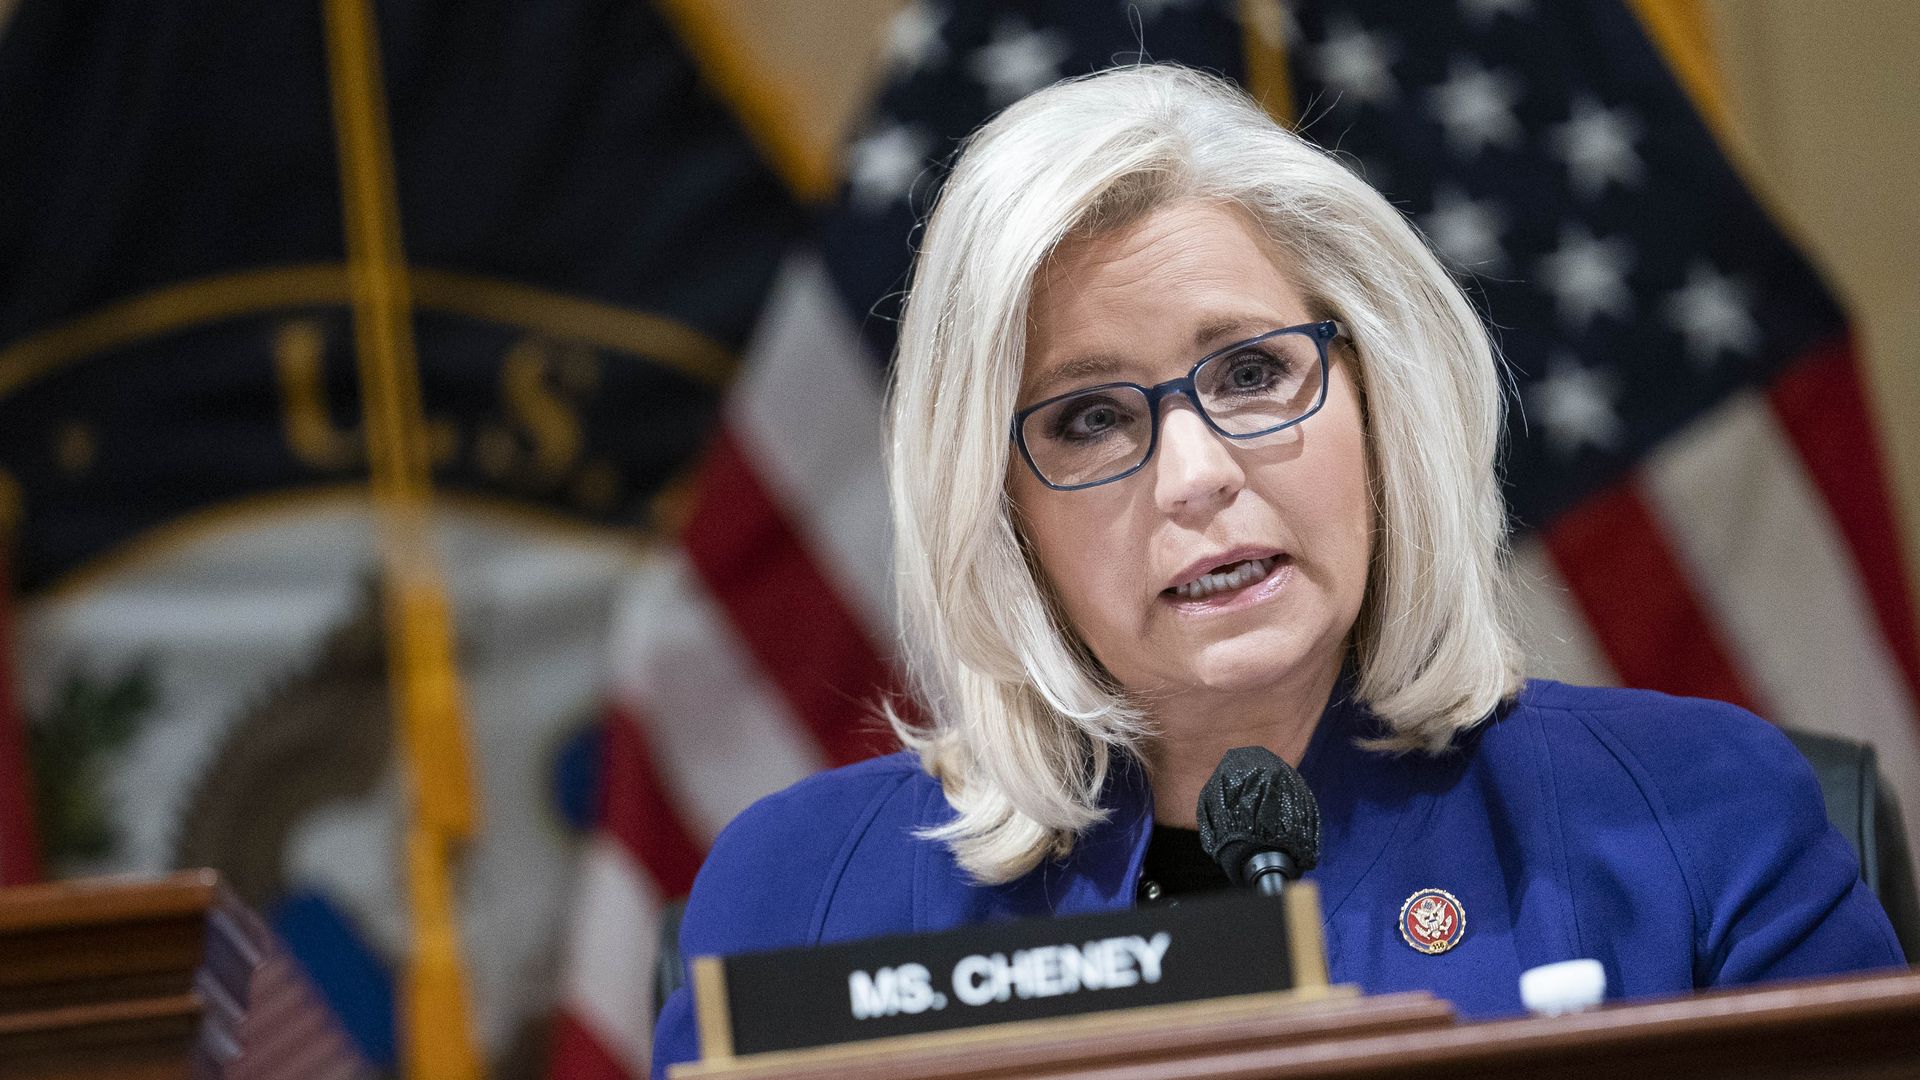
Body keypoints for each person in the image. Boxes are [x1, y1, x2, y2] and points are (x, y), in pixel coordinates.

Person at [650, 64, 1904, 1075]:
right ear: (1001, 510)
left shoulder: (1698, 822)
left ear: (1376, 398)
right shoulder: (798, 897)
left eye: (1253, 374)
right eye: (1090, 417)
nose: (1194, 473)